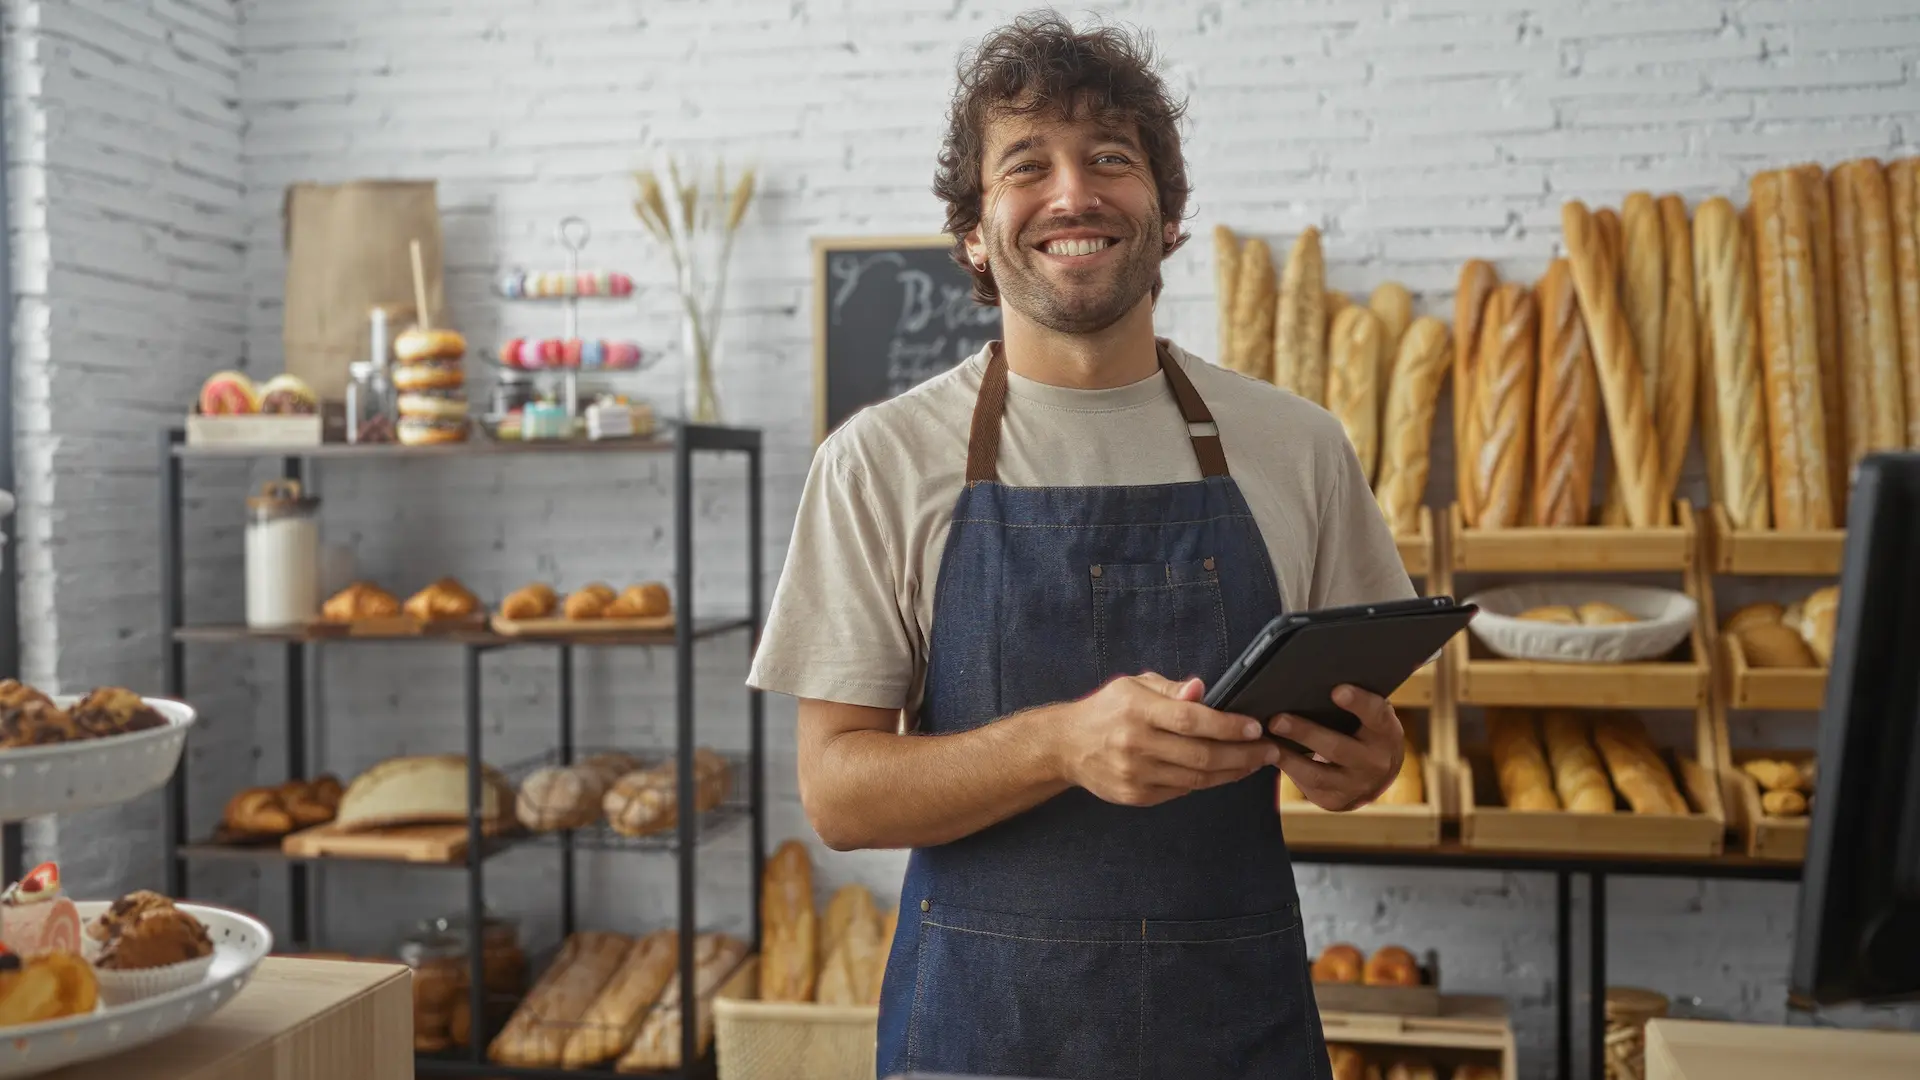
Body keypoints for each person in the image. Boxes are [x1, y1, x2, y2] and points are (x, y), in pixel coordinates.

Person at [747, 12, 1417, 1079]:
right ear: (974, 230)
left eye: (1112, 158)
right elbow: (837, 794)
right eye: (1028, 166)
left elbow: (1364, 742)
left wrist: (1367, 764)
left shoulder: (1298, 447)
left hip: (1235, 1032)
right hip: (981, 1040)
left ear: (1169, 215)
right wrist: (1063, 745)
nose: (1074, 193)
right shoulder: (878, 461)